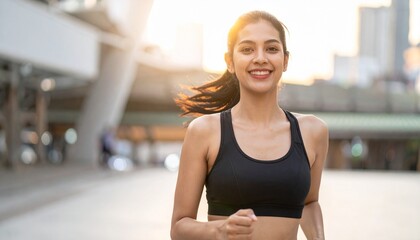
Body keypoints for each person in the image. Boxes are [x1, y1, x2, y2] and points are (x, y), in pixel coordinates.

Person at [171, 10, 328, 240]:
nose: (260, 58)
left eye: (272, 49)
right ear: (230, 62)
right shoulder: (205, 132)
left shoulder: (313, 131)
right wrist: (219, 230)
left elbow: (310, 202)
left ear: (285, 61)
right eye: (247, 49)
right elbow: (178, 228)